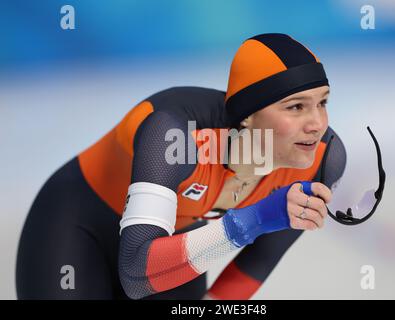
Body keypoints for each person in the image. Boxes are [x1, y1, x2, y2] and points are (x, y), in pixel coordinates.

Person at [16, 33, 346, 300]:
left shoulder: (323, 160)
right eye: (296, 107)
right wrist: (254, 219)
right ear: (248, 115)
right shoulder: (175, 135)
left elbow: (260, 260)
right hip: (79, 222)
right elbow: (136, 273)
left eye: (323, 102)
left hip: (167, 239)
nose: (317, 123)